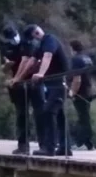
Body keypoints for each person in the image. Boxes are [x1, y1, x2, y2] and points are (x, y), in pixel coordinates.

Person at [24, 24, 72, 157]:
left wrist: (41, 74)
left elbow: (48, 56)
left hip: (59, 81)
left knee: (48, 112)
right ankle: (65, 147)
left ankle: (49, 148)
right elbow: (31, 61)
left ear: (35, 34)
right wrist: (18, 78)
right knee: (60, 114)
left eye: (32, 38)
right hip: (52, 83)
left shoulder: (50, 40)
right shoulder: (41, 45)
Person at [0, 24, 34, 155]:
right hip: (16, 85)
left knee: (41, 112)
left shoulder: (26, 43)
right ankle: (23, 145)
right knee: (21, 114)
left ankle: (46, 145)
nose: (14, 40)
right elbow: (2, 69)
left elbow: (30, 61)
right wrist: (6, 66)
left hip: (31, 81)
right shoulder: (5, 47)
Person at [68, 40, 94, 151]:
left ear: (72, 48)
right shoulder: (87, 58)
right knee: (85, 117)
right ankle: (88, 143)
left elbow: (77, 79)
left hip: (80, 92)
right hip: (88, 90)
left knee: (82, 118)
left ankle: (81, 143)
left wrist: (72, 92)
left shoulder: (76, 60)